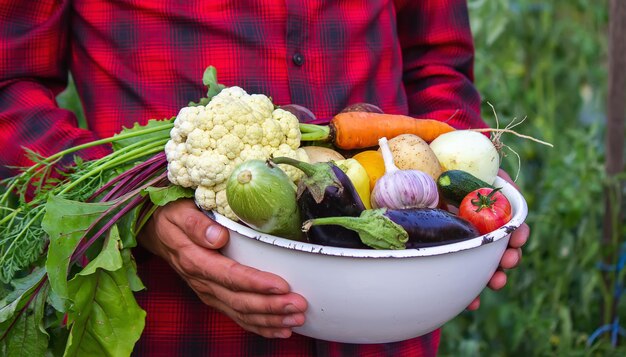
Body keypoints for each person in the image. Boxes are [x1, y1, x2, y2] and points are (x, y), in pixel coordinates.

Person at [0, 0, 528, 356]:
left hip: (389, 303)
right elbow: (10, 83)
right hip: (184, 317)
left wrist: (465, 187)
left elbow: (436, 59)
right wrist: (137, 211)